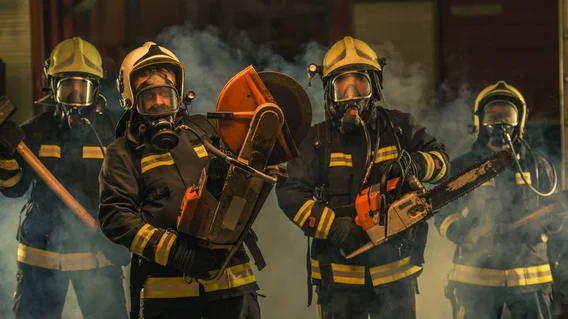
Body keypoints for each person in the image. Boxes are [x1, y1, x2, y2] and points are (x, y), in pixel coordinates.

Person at [276, 36, 450, 319]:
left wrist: (417, 164)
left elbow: (442, 163)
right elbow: (290, 193)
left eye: (360, 84)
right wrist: (334, 228)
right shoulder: (316, 141)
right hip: (339, 284)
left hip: (396, 279)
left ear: (375, 87)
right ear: (328, 93)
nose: (352, 95)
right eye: (341, 87)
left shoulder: (398, 127)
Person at [98, 41, 260, 319]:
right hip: (169, 299)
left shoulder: (207, 131)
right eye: (150, 97)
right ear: (131, 100)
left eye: (167, 94)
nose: (160, 103)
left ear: (180, 95)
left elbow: (250, 174)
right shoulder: (123, 152)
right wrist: (175, 253)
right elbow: (115, 217)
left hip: (233, 289)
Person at [0, 37, 128, 318]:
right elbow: (12, 189)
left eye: (81, 87)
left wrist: (121, 236)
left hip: (98, 256)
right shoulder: (34, 132)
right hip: (40, 259)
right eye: (66, 85)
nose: (73, 95)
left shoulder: (112, 133)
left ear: (96, 89)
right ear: (52, 87)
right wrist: (4, 154)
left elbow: (128, 193)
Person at [434, 81, 568, 319]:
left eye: (507, 115)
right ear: (480, 120)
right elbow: (440, 214)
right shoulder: (463, 167)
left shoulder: (539, 166)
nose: (500, 122)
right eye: (493, 114)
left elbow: (551, 224)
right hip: (475, 279)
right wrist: (465, 233)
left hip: (530, 280)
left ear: (518, 122)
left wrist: (562, 211)